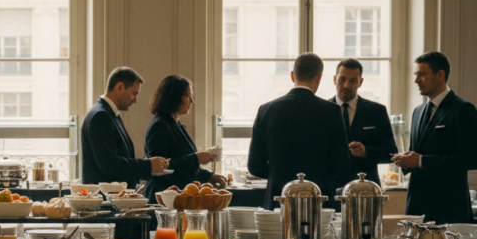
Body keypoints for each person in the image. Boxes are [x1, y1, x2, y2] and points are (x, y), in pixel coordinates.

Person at [247, 52, 350, 210]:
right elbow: (341, 166)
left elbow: (254, 166)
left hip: (278, 199)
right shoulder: (332, 111)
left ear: (292, 75)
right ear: (319, 77)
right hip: (318, 200)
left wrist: (279, 175)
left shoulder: (266, 110)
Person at [392, 52, 477, 224]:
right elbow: (418, 152)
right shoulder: (417, 111)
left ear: (440, 75)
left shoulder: (463, 109)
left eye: (422, 74)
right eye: (416, 74)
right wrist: (406, 160)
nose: (416, 80)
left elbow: (472, 159)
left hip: (448, 207)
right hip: (416, 206)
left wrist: (421, 161)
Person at [143, 75, 227, 202]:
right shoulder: (160, 126)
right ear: (175, 97)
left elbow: (183, 165)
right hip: (164, 198)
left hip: (175, 197)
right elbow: (160, 167)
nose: (192, 101)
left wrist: (208, 176)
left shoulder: (175, 124)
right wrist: (196, 158)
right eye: (188, 96)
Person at [81, 67, 169, 187]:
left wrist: (149, 167)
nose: (135, 100)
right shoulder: (101, 116)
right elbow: (110, 165)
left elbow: (119, 159)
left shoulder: (109, 113)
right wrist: (148, 165)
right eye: (134, 93)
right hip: (107, 197)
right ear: (120, 87)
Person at [328, 59, 398, 185]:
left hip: (366, 187)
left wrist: (366, 151)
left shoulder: (377, 111)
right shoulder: (323, 110)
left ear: (360, 82)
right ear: (334, 80)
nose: (346, 85)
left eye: (353, 80)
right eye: (342, 79)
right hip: (331, 188)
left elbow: (391, 153)